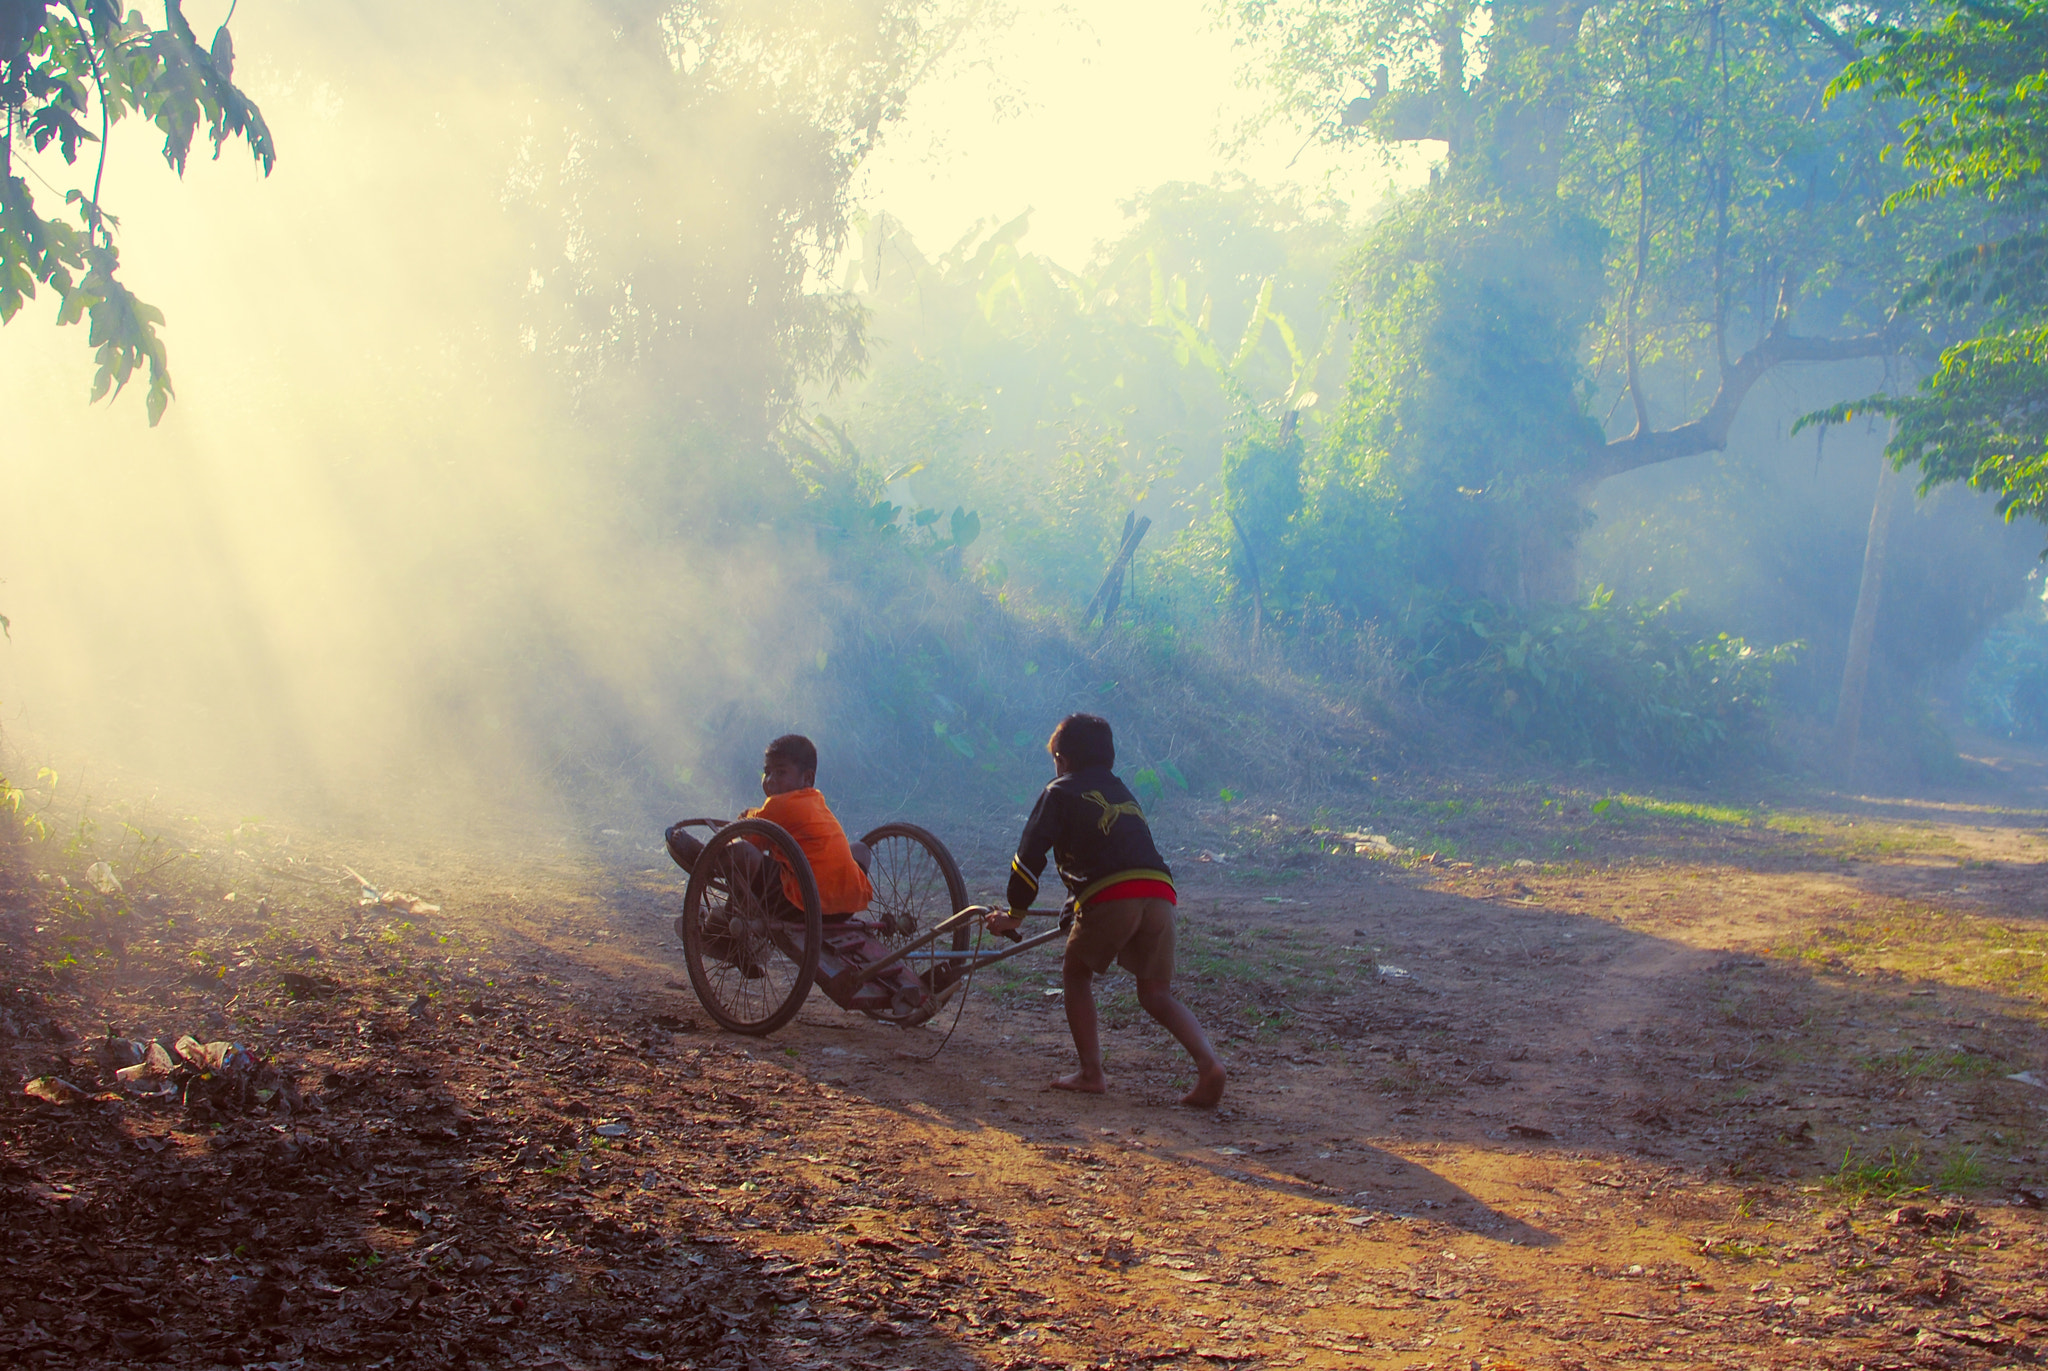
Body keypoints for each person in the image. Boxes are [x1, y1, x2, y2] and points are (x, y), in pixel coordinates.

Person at [985, 714, 1225, 1107]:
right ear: (1108, 758)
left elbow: (1029, 857)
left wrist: (1014, 913)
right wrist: (1074, 907)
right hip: (1159, 891)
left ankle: (1091, 1073)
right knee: (1156, 993)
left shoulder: (1058, 791)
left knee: (1076, 974)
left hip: (1114, 895)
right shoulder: (1121, 792)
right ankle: (1209, 1063)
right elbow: (1112, 852)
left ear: (1060, 759)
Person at [665, 734, 873, 923]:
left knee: (742, 853)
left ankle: (704, 858)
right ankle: (725, 909)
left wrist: (746, 817)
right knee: (859, 849)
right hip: (846, 907)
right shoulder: (815, 800)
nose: (771, 780)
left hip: (806, 906)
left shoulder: (781, 805)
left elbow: (749, 838)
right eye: (767, 772)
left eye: (781, 772)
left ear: (807, 778)